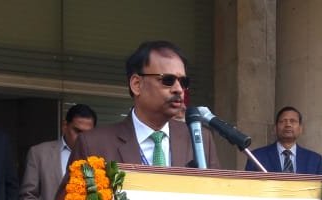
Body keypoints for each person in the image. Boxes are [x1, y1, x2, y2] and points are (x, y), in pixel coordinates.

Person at [69, 40, 220, 169]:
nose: (179, 89)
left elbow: (217, 192)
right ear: (137, 84)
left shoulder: (199, 140)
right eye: (168, 80)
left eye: (183, 82)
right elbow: (72, 195)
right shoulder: (93, 144)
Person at [20, 104, 97, 200]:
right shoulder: (39, 153)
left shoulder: (99, 158)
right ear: (64, 126)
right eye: (77, 131)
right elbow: (28, 194)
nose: (82, 138)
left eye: (87, 133)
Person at [244, 106, 322, 174]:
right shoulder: (256, 157)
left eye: (293, 121)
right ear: (275, 128)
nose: (288, 125)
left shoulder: (315, 159)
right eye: (283, 121)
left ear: (300, 129)